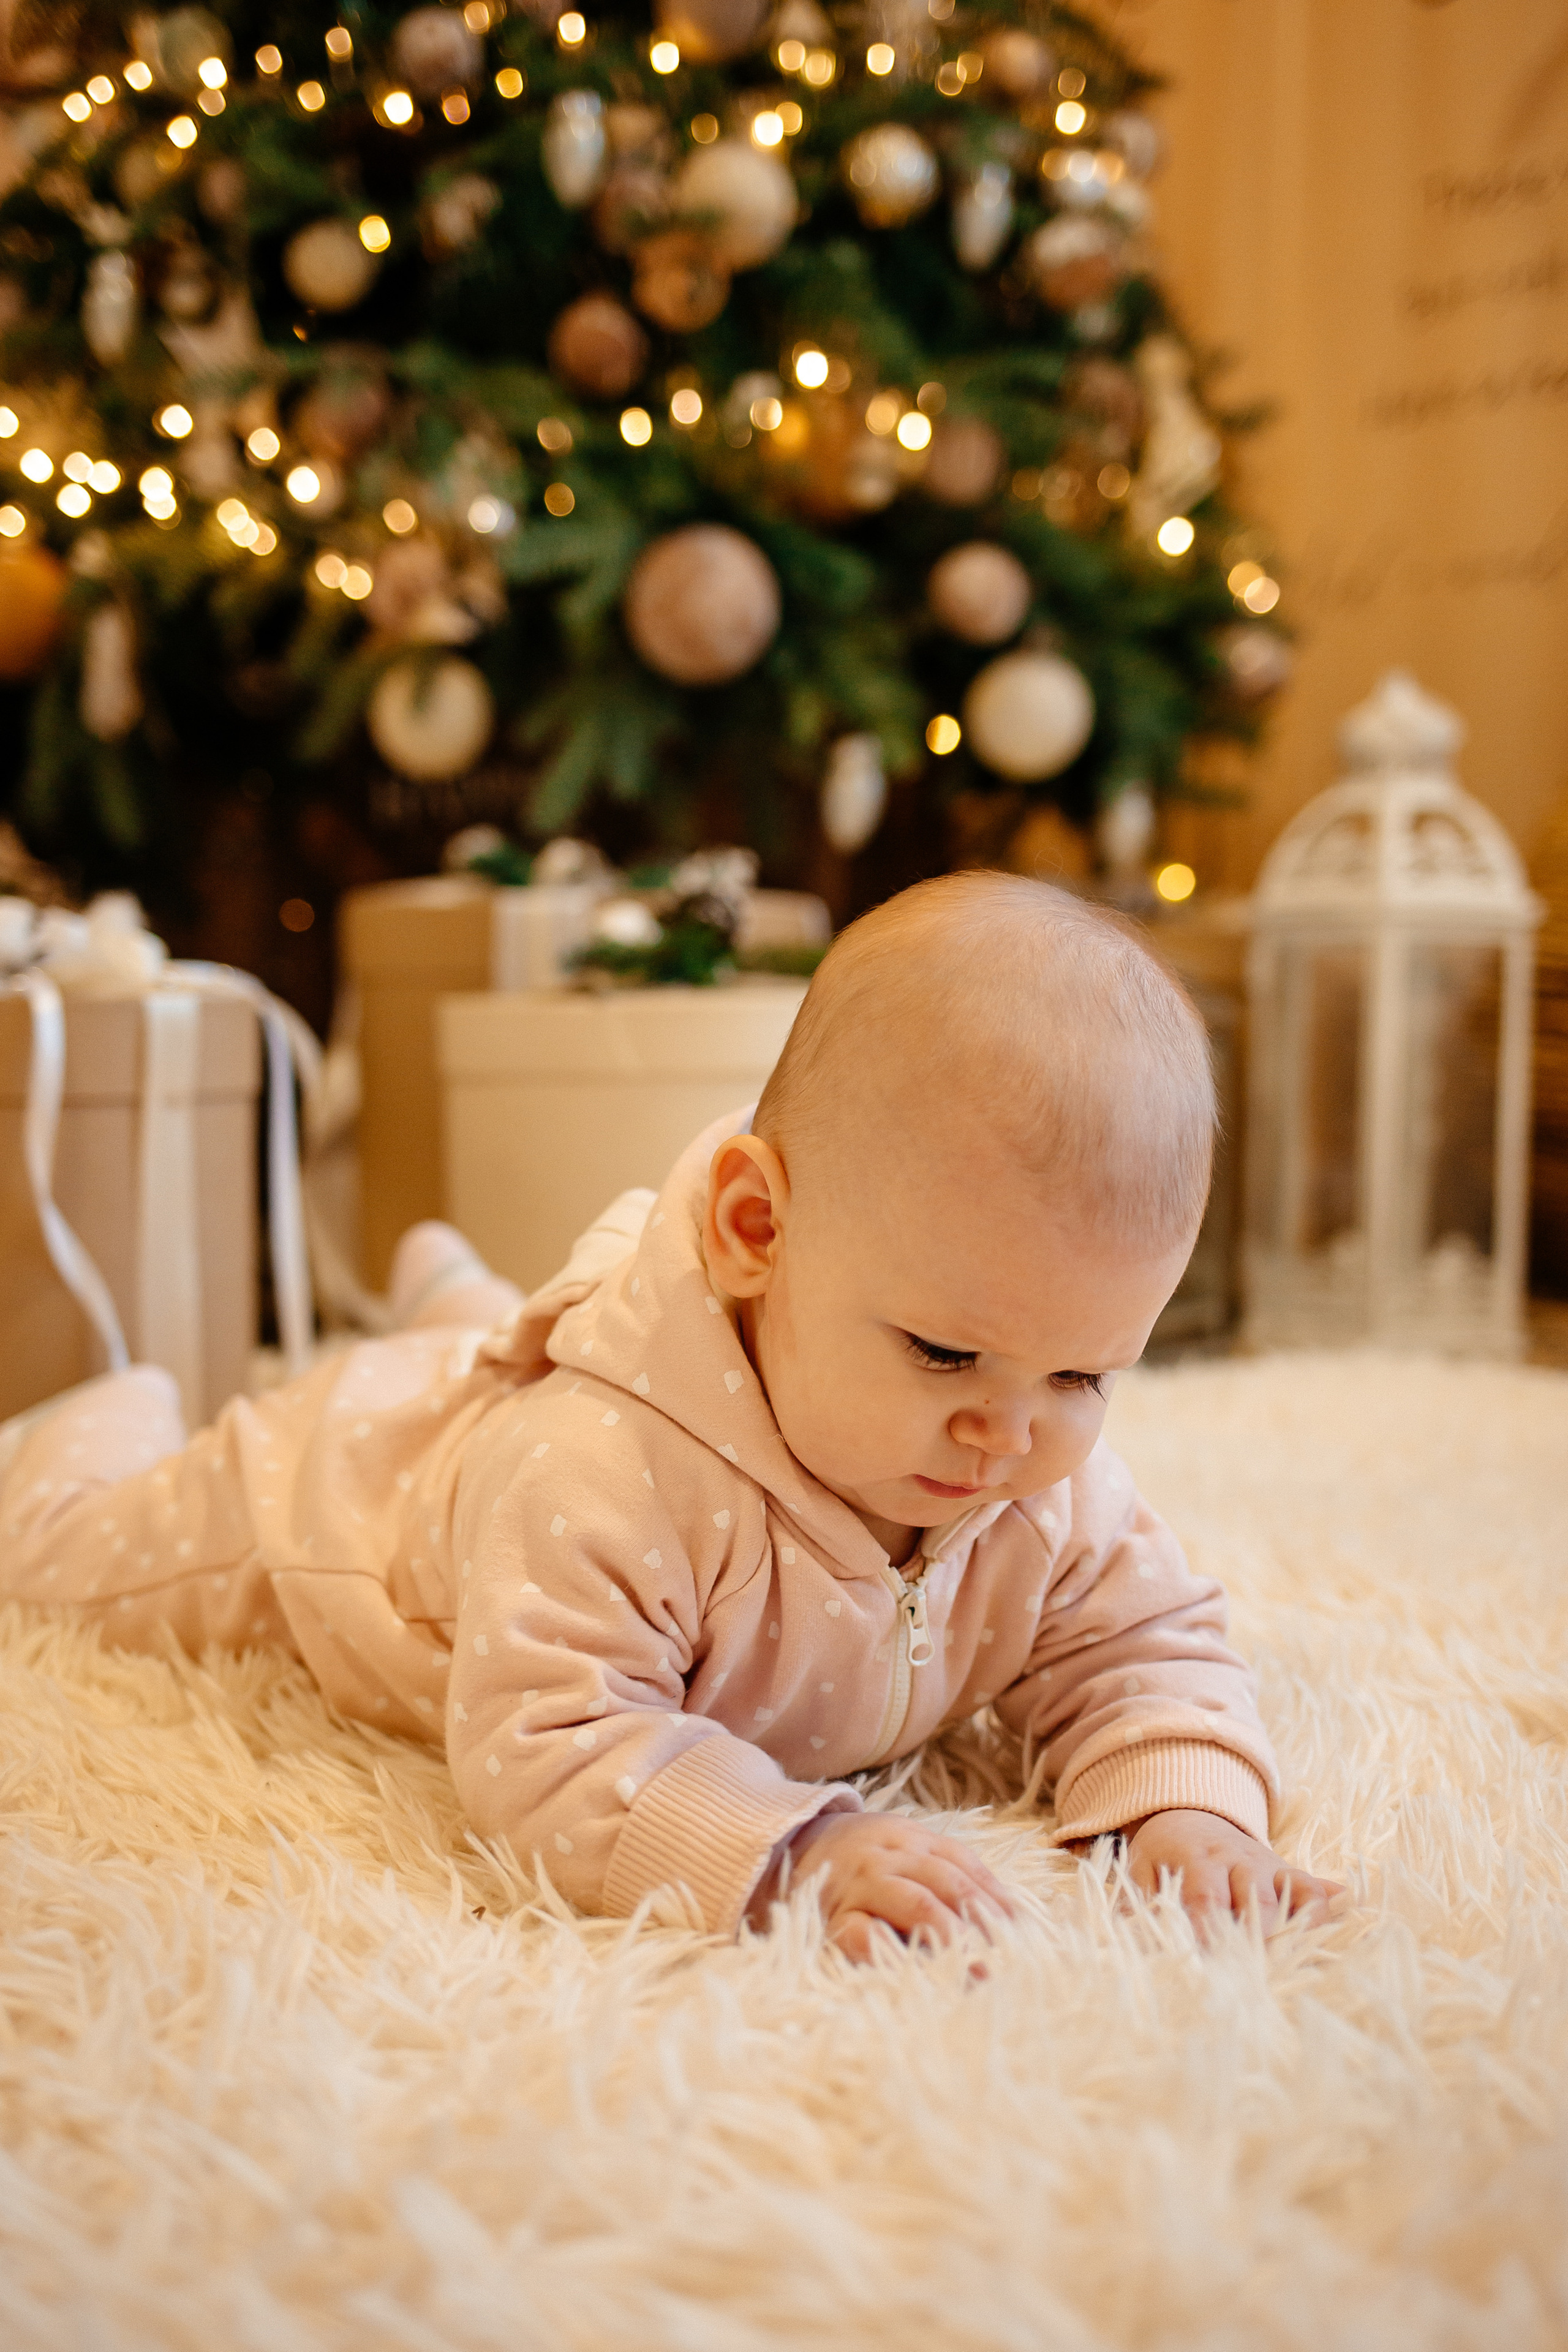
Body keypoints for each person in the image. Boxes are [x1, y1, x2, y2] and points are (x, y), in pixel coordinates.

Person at [0, 875, 1339, 1955]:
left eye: (1081, 1376)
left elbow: (1144, 1641)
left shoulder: (1033, 1479)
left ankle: (459, 1298)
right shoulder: (600, 1475)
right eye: (944, 1354)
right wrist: (790, 1847)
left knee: (485, 1342)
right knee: (58, 1561)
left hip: (509, 1419)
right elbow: (543, 1734)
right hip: (351, 1487)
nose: (1009, 1438)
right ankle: (106, 1409)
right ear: (758, 1228)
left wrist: (1185, 1807)